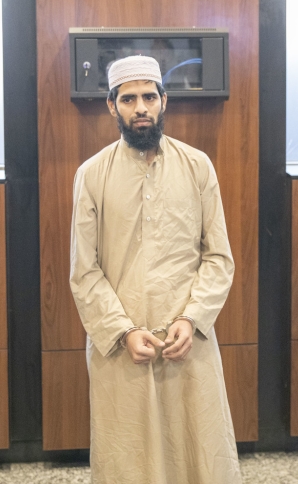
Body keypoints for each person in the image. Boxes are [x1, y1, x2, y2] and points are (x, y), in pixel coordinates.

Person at [68, 55, 241, 484]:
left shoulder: (198, 166)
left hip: (189, 340)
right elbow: (84, 270)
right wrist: (123, 330)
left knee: (198, 454)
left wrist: (192, 317)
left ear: (165, 101)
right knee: (128, 460)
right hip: (121, 346)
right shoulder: (91, 175)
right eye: (129, 98)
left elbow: (218, 257)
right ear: (112, 106)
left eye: (149, 96)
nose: (140, 107)